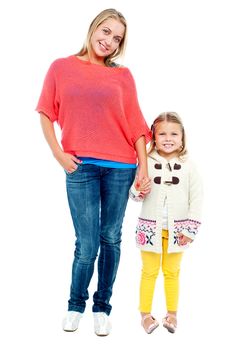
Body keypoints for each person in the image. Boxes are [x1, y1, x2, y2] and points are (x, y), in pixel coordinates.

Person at [36, 8, 151, 336]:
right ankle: (75, 305)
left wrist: (143, 168)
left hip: (121, 167)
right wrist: (59, 154)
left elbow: (136, 124)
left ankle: (102, 306)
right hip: (80, 167)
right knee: (86, 243)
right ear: (92, 29)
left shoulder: (122, 76)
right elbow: (45, 111)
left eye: (117, 38)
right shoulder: (61, 67)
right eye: (106, 32)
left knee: (110, 238)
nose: (109, 41)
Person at [130, 112, 203, 334]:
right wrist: (138, 191)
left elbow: (197, 198)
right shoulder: (146, 163)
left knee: (172, 272)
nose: (168, 138)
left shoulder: (189, 166)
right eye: (162, 134)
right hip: (149, 229)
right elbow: (133, 194)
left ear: (182, 138)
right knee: (149, 271)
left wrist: (190, 230)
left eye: (174, 134)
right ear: (153, 136)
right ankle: (145, 315)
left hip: (178, 231)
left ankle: (172, 314)